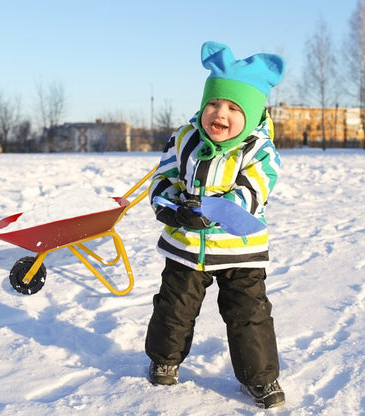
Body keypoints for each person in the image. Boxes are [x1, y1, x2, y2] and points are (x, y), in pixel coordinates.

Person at [145, 41, 286, 409]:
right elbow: (165, 176)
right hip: (186, 245)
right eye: (213, 103)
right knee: (173, 306)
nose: (219, 113)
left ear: (252, 113)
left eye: (233, 107)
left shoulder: (259, 150)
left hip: (239, 250)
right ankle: (165, 358)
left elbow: (253, 191)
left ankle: (261, 379)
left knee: (248, 315)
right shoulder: (185, 138)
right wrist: (167, 206)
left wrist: (211, 210)